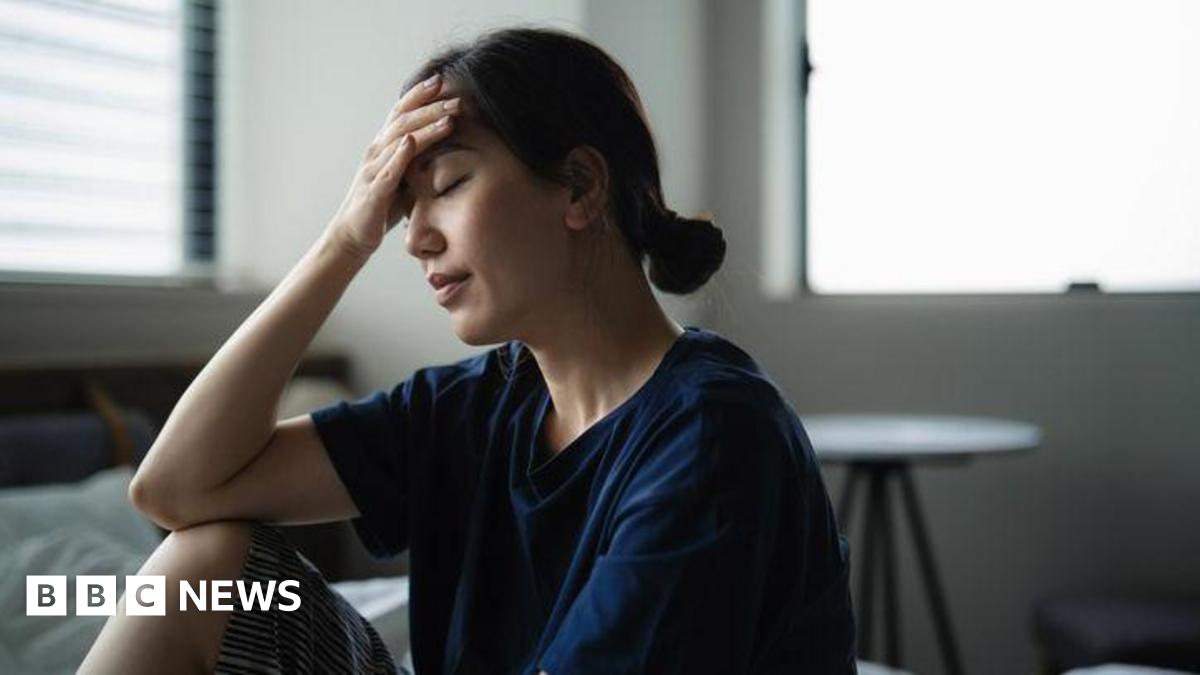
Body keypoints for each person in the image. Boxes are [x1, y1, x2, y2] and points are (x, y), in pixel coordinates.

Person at [78, 26, 856, 675]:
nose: (413, 237)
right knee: (196, 569)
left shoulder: (713, 433)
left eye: (446, 186)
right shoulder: (475, 406)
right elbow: (174, 492)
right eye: (400, 207)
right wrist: (343, 243)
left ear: (581, 187)